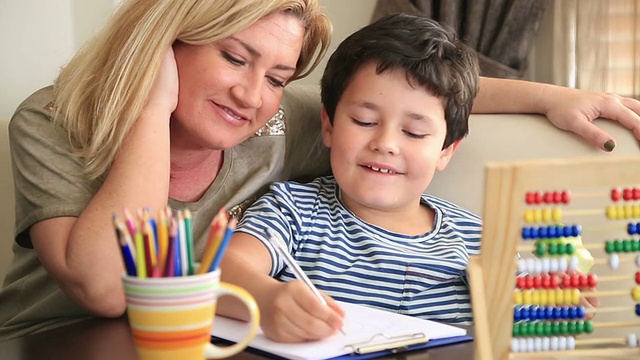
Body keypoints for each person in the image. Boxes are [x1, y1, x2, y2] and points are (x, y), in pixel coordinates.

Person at [0, 0, 636, 341]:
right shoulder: (56, 120)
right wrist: (149, 103)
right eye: (234, 57)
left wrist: (553, 97)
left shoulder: (276, 122)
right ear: (168, 40)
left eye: (278, 77)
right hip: (69, 340)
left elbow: (404, 99)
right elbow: (109, 291)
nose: (253, 95)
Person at [217, 13, 482, 343]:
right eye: (364, 121)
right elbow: (225, 267)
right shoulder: (293, 211)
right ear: (328, 126)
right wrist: (267, 298)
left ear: (446, 151)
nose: (384, 144)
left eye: (413, 133)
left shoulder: (477, 239)